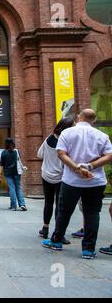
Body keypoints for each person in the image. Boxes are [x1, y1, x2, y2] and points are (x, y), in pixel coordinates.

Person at [42, 109, 112, 259]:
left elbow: (61, 154)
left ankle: (57, 241)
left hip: (71, 181)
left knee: (64, 211)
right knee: (92, 213)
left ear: (79, 117)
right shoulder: (102, 135)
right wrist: (90, 166)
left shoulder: (67, 133)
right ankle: (88, 249)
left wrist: (76, 168)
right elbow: (109, 155)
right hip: (95, 180)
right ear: (93, 120)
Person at [37, 117, 75, 243]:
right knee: (60, 204)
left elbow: (39, 154)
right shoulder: (67, 141)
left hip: (46, 175)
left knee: (48, 202)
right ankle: (59, 233)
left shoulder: (48, 138)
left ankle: (45, 228)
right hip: (60, 177)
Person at [0, 138, 27, 211]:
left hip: (8, 173)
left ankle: (13, 206)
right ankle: (22, 204)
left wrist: (0, 174)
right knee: (18, 188)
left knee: (12, 188)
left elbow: (1, 165)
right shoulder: (16, 151)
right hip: (17, 172)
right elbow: (19, 161)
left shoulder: (4, 153)